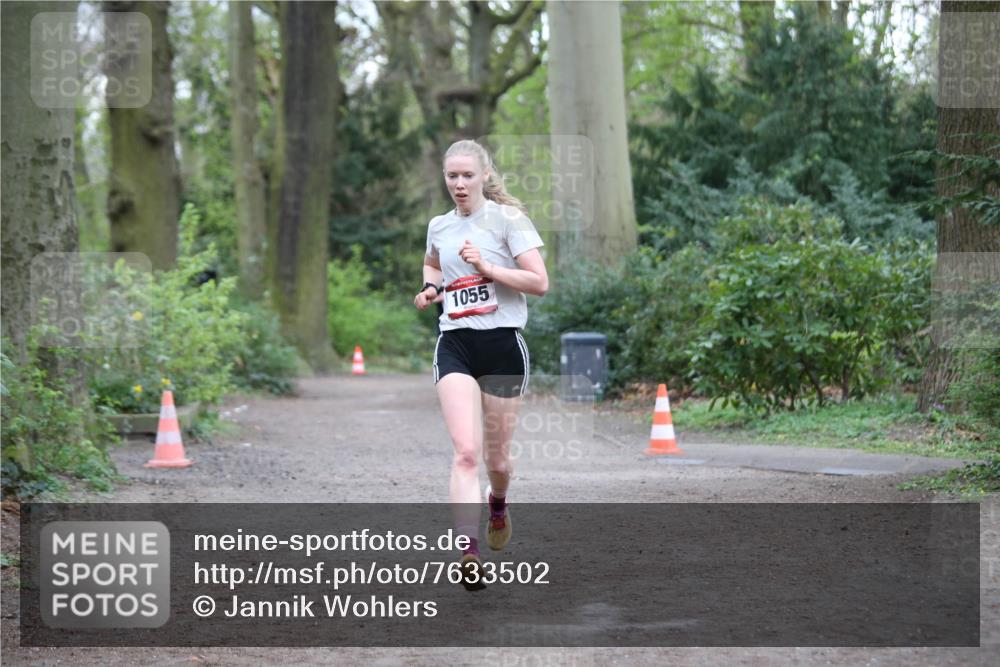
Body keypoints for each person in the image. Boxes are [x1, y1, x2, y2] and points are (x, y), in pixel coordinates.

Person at [414, 139, 548, 591]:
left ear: (484, 176)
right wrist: (431, 291)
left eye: (467, 175)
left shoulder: (508, 220)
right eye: (451, 176)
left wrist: (488, 268)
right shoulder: (439, 226)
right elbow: (433, 266)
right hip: (455, 343)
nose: (458, 184)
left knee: (496, 459)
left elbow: (539, 282)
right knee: (465, 452)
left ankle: (498, 503)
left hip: (503, 346)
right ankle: (468, 552)